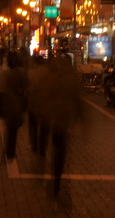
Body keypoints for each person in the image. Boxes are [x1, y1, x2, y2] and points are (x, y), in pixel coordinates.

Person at [42, 53, 84, 197]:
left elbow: (45, 96)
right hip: (65, 120)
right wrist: (81, 119)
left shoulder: (52, 77)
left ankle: (56, 174)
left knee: (56, 147)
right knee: (61, 150)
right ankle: (58, 175)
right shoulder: (71, 78)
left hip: (55, 119)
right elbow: (77, 100)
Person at [0, 50, 28, 162]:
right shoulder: (20, 75)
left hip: (7, 105)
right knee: (13, 130)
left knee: (9, 129)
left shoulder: (5, 75)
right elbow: (26, 89)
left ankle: (8, 151)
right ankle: (10, 152)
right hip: (16, 105)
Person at [27, 54, 50, 157]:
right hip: (46, 104)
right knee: (44, 127)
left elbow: (29, 89)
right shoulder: (49, 73)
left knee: (33, 125)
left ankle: (34, 144)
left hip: (33, 103)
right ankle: (42, 147)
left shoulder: (31, 73)